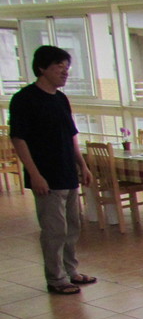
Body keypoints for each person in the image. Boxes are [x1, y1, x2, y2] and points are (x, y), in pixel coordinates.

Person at [9, 45, 96, 296]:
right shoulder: (25, 99)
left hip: (67, 173)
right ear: (41, 68)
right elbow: (19, 139)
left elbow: (71, 136)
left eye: (66, 68)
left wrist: (83, 165)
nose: (65, 73)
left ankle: (71, 271)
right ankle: (56, 278)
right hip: (46, 176)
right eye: (59, 68)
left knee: (72, 226)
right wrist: (35, 174)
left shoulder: (60, 99)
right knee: (54, 229)